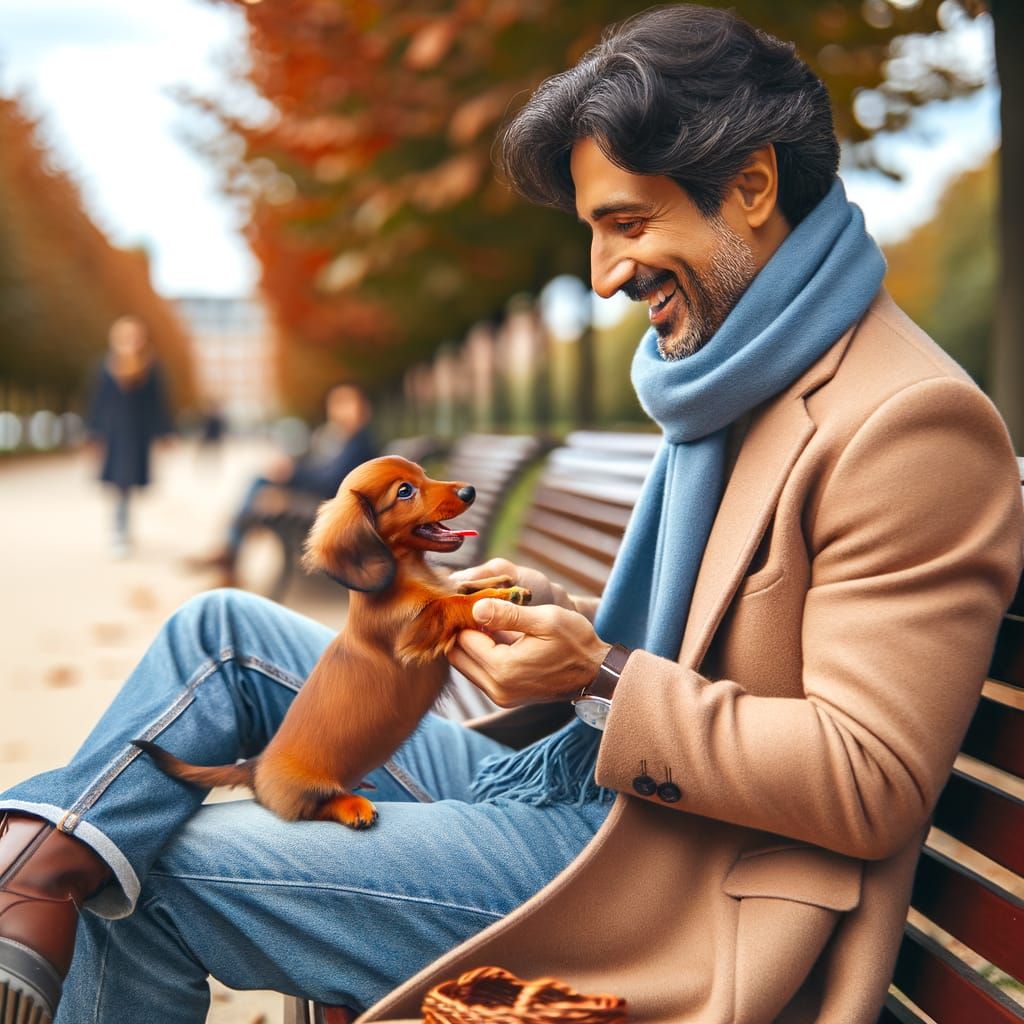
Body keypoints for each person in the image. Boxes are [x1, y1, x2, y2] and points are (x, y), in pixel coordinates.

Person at [0, 7, 1021, 1023]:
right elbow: (696, 649)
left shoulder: (908, 425)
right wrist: (552, 618)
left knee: (154, 865)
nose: (603, 275)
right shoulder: (738, 369)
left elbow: (869, 779)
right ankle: (30, 876)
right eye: (595, 230)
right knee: (214, 639)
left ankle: (42, 874)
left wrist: (598, 675)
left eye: (628, 223)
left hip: (668, 886)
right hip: (573, 785)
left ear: (751, 186)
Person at [188, 383, 377, 586]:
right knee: (260, 482)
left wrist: (291, 485)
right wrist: (289, 472)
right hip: (323, 500)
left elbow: (331, 482)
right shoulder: (340, 437)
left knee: (260, 494)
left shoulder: (359, 442)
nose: (339, 410)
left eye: (346, 403)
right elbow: (318, 469)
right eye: (336, 403)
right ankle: (229, 553)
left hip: (333, 508)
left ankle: (230, 553)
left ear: (363, 408)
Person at [85, 315, 174, 558]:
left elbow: (159, 403)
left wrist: (165, 432)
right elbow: (97, 402)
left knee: (128, 484)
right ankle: (120, 531)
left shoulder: (152, 367)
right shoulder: (106, 365)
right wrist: (93, 432)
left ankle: (123, 528)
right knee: (120, 483)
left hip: (138, 435)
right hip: (114, 435)